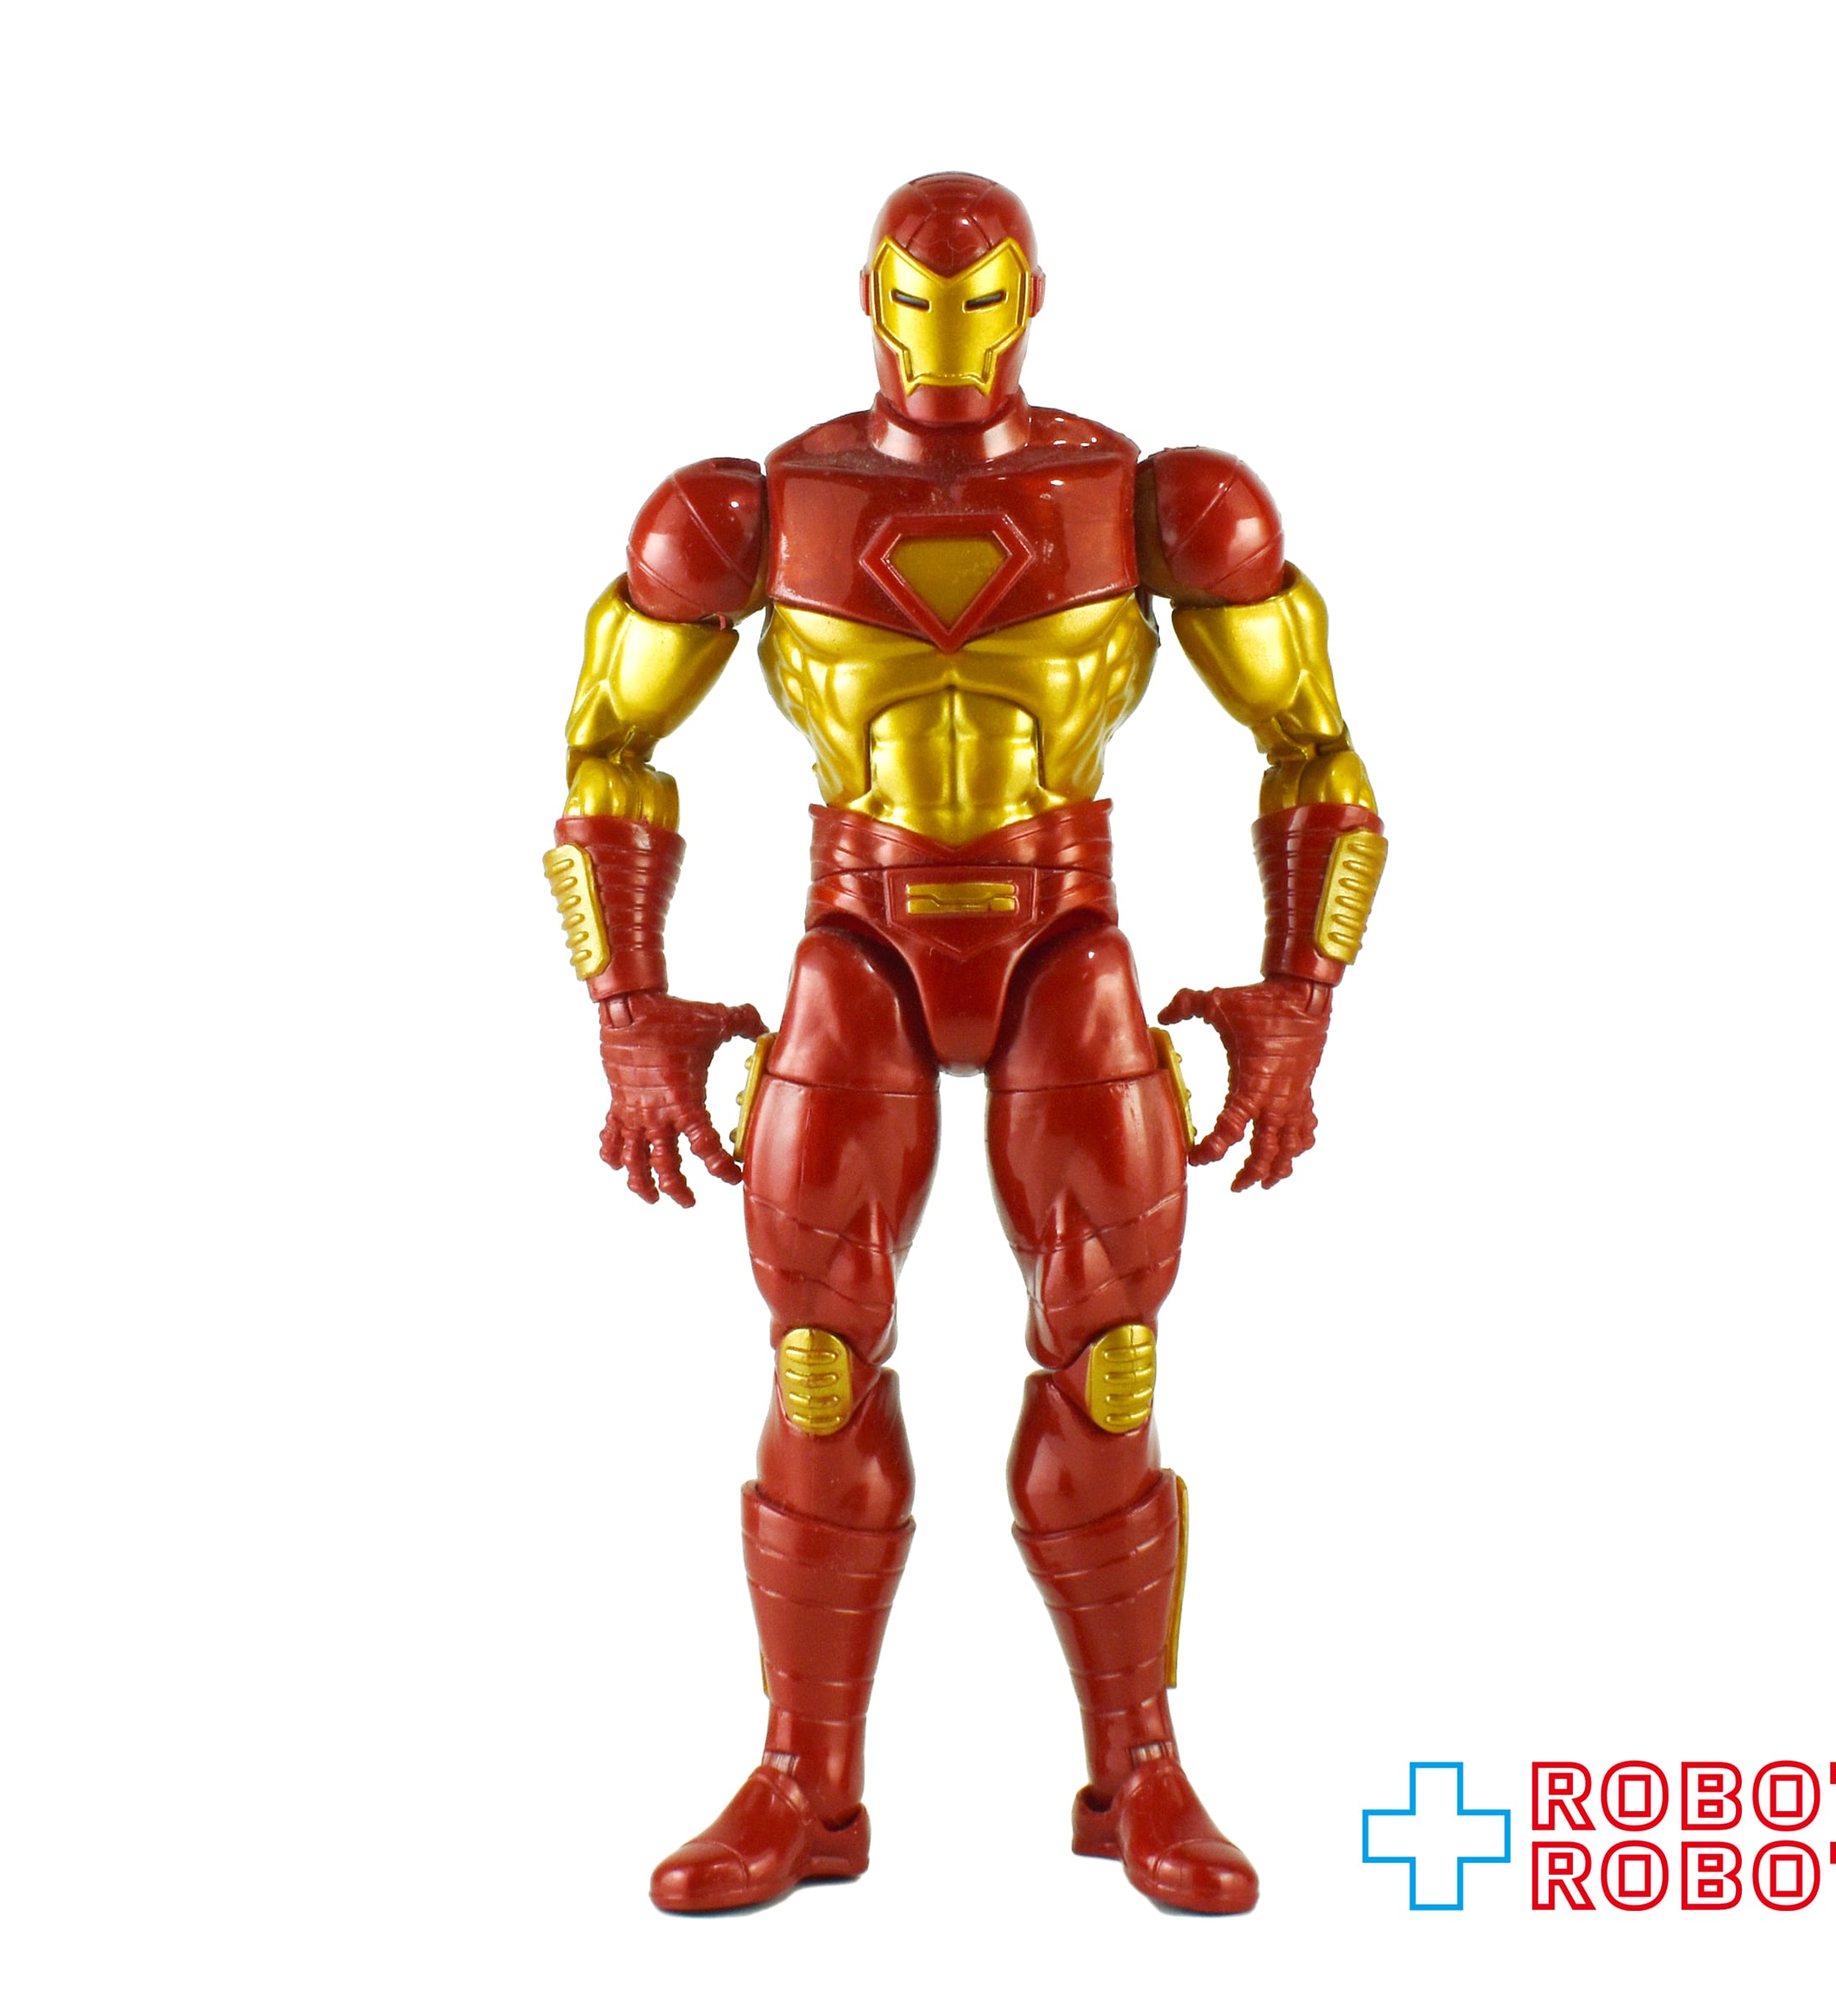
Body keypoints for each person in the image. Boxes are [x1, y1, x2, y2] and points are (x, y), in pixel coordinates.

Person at [543, 171, 1386, 1914]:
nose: (948, 336)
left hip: (1063, 935)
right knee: (819, 1358)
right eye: (920, 301)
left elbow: (1315, 748)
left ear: (1033, 300)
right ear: (868, 300)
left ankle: (1137, 1774)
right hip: (855, 936)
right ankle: (807, 1788)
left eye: (980, 300)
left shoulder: (1148, 501)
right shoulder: (756, 510)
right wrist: (628, 1013)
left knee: (1109, 1357)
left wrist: (1300, 996)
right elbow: (605, 755)